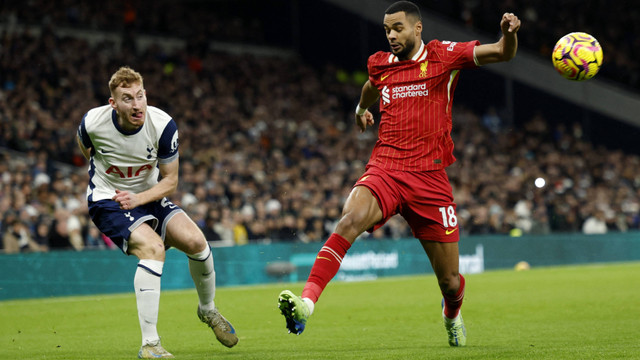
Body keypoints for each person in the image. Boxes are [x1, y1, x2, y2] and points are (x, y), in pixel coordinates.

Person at [278, 1, 520, 347]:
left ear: (417, 28)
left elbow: (501, 53)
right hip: (386, 169)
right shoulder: (380, 64)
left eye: (398, 28)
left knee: (450, 282)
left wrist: (508, 35)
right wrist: (361, 109)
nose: (391, 35)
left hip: (429, 178)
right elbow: (370, 87)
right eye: (387, 29)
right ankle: (306, 304)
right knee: (350, 220)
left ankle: (451, 313)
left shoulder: (443, 56)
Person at [77, 66, 238, 358]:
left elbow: (171, 181)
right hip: (108, 200)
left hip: (147, 195)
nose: (136, 104)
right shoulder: (93, 122)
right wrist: (107, 182)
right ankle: (150, 345)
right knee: (153, 249)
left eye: (140, 96)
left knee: (197, 243)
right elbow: (85, 148)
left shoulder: (163, 126)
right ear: (113, 103)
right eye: (127, 98)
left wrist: (139, 197)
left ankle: (208, 310)